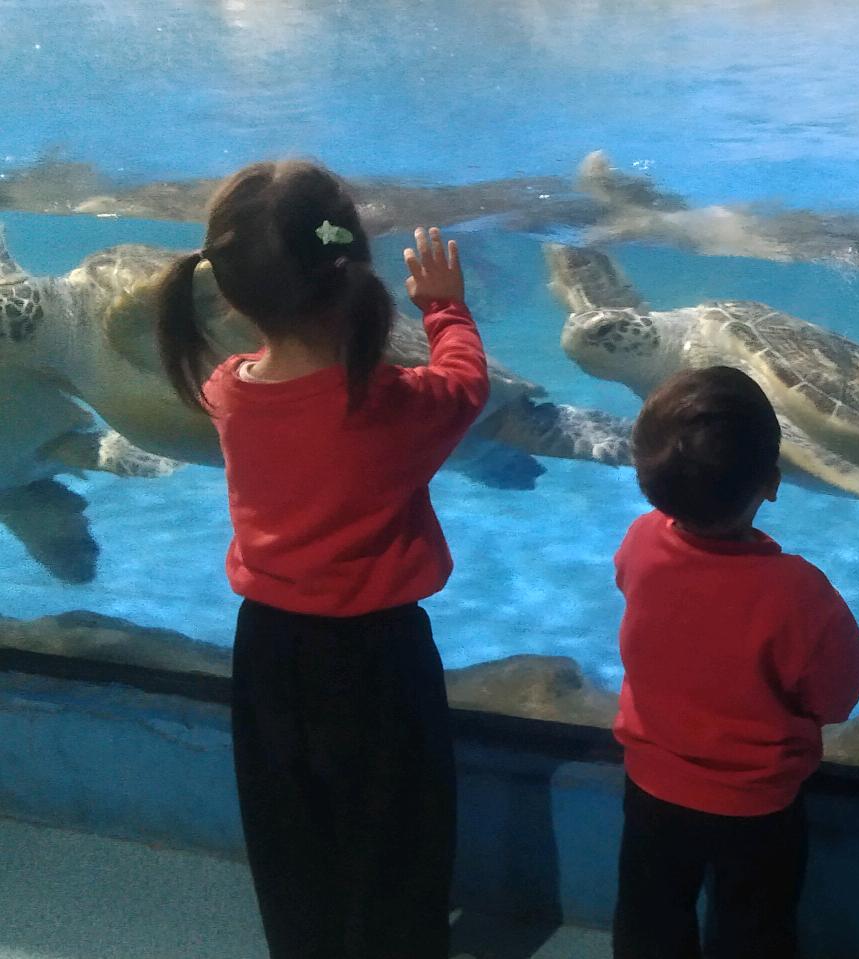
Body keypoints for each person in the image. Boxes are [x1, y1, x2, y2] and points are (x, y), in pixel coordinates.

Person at [154, 159, 490, 959]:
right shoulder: (390, 404)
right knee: (398, 850)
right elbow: (465, 385)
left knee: (291, 843)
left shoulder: (228, 390)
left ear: (231, 295)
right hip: (377, 661)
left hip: (267, 654)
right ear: (352, 268)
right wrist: (444, 308)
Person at [611, 366, 859, 959]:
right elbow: (834, 701)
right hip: (757, 804)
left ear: (650, 483)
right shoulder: (799, 594)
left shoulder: (641, 541)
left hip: (652, 786)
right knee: (755, 928)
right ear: (773, 482)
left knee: (648, 921)